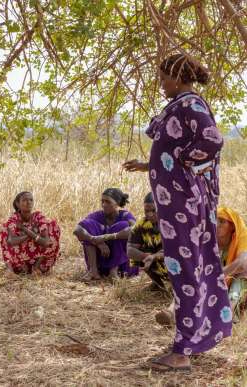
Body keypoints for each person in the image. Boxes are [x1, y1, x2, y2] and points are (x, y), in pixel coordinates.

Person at [123, 53, 231, 371]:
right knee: (191, 270)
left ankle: (182, 351)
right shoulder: (183, 104)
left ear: (178, 76)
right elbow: (172, 149)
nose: (160, 83)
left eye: (163, 77)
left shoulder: (189, 104)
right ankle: (195, 339)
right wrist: (151, 163)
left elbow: (212, 140)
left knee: (185, 273)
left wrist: (182, 159)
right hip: (178, 208)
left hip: (184, 207)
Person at [74, 188, 138, 280]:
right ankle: (93, 270)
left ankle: (113, 272)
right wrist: (97, 241)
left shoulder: (125, 215)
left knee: (122, 226)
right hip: (102, 263)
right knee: (88, 225)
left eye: (108, 202)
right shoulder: (98, 215)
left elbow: (135, 230)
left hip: (122, 266)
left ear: (117, 203)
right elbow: (77, 230)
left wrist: (108, 237)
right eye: (102, 201)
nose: (104, 205)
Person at [0, 191, 60, 274]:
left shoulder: (38, 216)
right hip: (20, 262)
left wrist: (25, 230)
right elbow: (11, 241)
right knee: (4, 228)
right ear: (18, 204)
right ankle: (10, 271)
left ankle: (36, 268)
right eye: (24, 200)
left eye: (31, 200)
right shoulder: (14, 218)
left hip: (38, 260)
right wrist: (32, 232)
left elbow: (46, 242)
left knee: (53, 225)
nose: (28, 202)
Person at [127, 192, 168, 291]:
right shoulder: (140, 225)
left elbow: (175, 251)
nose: (150, 214)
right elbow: (130, 250)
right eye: (146, 211)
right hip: (155, 257)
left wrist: (154, 256)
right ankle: (158, 284)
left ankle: (177, 288)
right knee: (137, 255)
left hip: (172, 261)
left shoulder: (172, 223)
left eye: (154, 210)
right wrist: (146, 256)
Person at [218, 208, 247, 315]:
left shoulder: (242, 236)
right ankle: (171, 312)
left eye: (222, 221)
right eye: (216, 220)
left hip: (239, 278)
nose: (217, 224)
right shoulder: (210, 237)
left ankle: (227, 315)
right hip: (223, 278)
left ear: (232, 226)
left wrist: (219, 274)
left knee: (242, 275)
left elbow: (242, 264)